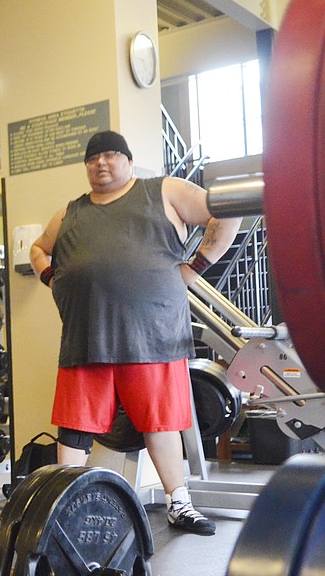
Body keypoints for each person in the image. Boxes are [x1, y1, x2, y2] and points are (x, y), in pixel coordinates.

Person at [29, 130, 243, 536]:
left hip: (154, 335)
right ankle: (64, 505)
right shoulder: (70, 212)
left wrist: (195, 267)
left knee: (160, 422)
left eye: (111, 155)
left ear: (128, 160)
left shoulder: (163, 190)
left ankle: (179, 504)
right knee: (75, 427)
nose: (101, 163)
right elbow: (38, 248)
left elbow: (228, 209)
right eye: (93, 158)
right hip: (87, 335)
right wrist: (52, 278)